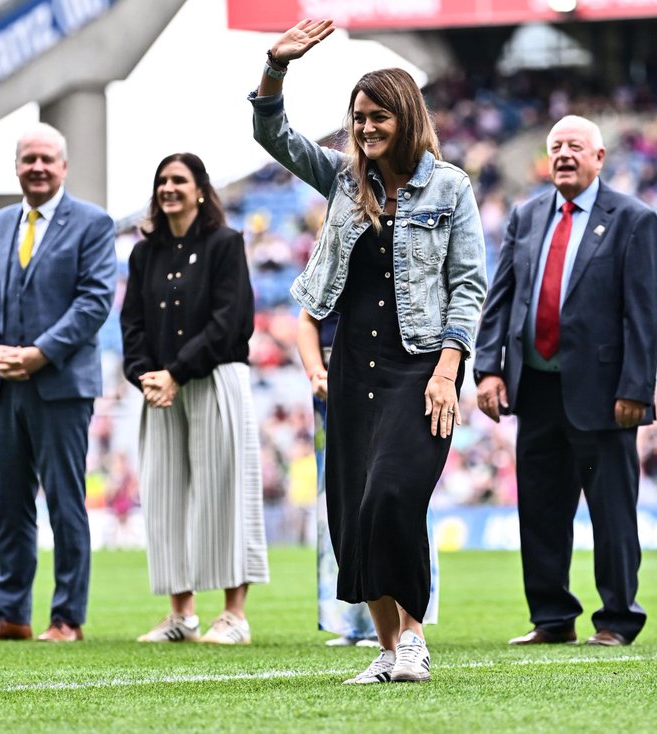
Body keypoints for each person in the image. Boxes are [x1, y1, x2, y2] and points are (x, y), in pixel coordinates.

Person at [252, 19, 487, 683]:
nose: (364, 129)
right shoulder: (340, 180)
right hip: (353, 373)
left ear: (404, 116)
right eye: (357, 118)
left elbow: (469, 286)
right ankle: (388, 651)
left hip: (420, 368)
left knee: (393, 496)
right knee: (353, 515)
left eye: (377, 116)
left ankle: (413, 640)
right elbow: (271, 133)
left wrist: (448, 370)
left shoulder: (451, 188)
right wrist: (276, 65)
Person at [474, 115, 657, 648]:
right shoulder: (527, 215)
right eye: (556, 146)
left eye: (575, 147)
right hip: (534, 387)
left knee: (612, 512)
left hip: (604, 394)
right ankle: (552, 617)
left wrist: (637, 388)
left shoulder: (634, 219)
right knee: (538, 509)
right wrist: (489, 368)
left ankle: (617, 619)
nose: (563, 155)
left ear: (599, 157)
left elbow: (644, 313)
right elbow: (502, 297)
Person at [0, 123, 117, 643]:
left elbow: (94, 300)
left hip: (61, 385)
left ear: (64, 166)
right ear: (17, 166)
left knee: (65, 503)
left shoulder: (93, 223)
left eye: (48, 159)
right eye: (29, 159)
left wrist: (40, 353)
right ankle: (10, 615)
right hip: (4, 385)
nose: (38, 167)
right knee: (9, 504)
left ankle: (66, 618)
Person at [121, 152, 269, 645]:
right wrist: (147, 376)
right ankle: (180, 616)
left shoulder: (225, 244)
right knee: (166, 498)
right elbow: (133, 326)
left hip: (214, 380)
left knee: (225, 494)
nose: (169, 188)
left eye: (179, 180)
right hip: (160, 390)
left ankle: (233, 616)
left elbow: (232, 321)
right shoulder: (145, 254)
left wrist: (178, 372)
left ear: (201, 190)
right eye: (162, 180)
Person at [297, 310, 439, 647]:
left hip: (394, 361)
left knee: (393, 491)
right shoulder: (331, 262)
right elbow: (307, 316)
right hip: (338, 373)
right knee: (343, 498)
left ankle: (409, 620)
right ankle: (355, 622)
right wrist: (316, 371)